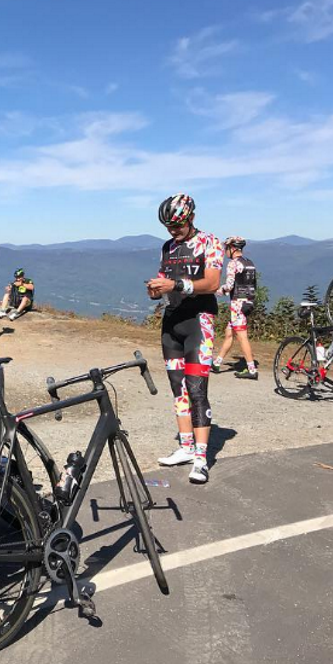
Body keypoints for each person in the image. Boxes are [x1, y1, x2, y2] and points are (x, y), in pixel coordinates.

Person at [147, 194, 223, 485]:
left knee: (197, 389)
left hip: (199, 321)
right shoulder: (168, 247)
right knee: (178, 388)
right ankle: (186, 447)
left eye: (177, 225)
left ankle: (202, 458)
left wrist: (176, 284)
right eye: (168, 226)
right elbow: (164, 280)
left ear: (190, 218)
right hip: (172, 321)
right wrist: (156, 289)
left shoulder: (210, 242)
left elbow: (213, 283)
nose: (172, 231)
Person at [213, 236, 258, 379]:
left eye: (226, 248)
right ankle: (217, 362)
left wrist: (218, 290)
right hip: (248, 302)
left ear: (232, 248)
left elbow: (230, 285)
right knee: (229, 333)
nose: (225, 251)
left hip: (237, 303)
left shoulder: (233, 264)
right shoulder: (249, 263)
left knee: (241, 336)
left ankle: (251, 369)